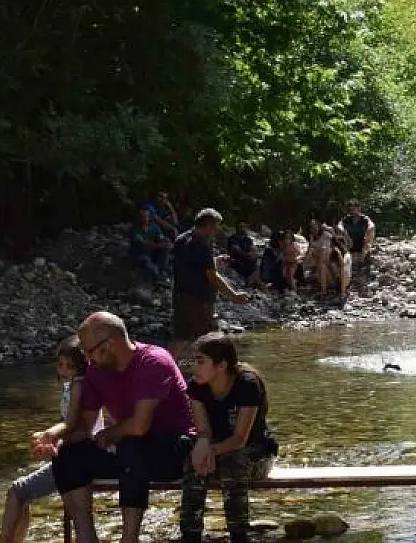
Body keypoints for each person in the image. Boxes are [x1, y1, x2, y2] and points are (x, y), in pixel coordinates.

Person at [44, 312, 196, 543]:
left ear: (111, 344)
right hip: (129, 454)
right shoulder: (96, 371)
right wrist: (53, 440)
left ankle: (129, 538)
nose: (86, 358)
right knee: (67, 454)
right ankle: (86, 538)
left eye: (89, 351)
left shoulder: (154, 361)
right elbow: (85, 428)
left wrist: (109, 434)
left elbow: (139, 426)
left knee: (131, 443)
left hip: (174, 451)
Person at [0, 337, 104, 543]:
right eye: (60, 365)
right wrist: (51, 440)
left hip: (76, 457)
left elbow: (72, 424)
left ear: (82, 366)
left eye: (70, 366)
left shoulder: (78, 386)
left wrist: (50, 435)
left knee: (18, 491)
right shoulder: (74, 386)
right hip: (75, 453)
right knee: (80, 519)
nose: (64, 371)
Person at [180, 333, 278, 543]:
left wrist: (210, 451)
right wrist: (202, 447)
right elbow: (203, 430)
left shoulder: (247, 385)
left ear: (221, 365)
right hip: (217, 453)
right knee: (192, 462)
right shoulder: (197, 386)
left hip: (256, 455)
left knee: (233, 460)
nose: (194, 368)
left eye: (200, 362)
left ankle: (239, 534)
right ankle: (190, 533)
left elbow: (239, 439)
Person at [172, 208, 249, 341]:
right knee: (211, 340)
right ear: (208, 225)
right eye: (216, 227)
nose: (217, 231)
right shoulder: (203, 245)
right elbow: (212, 276)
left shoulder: (181, 239)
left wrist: (214, 261)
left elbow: (191, 265)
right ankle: (216, 362)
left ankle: (168, 362)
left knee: (180, 338)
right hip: (198, 300)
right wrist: (233, 295)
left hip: (179, 296)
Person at [128, 207, 170, 283]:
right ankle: (156, 275)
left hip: (153, 252)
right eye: (141, 216)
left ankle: (162, 269)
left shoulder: (154, 227)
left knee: (167, 246)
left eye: (145, 216)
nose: (143, 218)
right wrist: (159, 245)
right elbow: (142, 243)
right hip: (140, 254)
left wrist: (163, 243)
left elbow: (162, 239)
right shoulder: (134, 229)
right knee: (150, 267)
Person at [337, 199, 375, 266]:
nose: (353, 212)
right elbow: (339, 225)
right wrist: (343, 231)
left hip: (362, 242)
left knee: (371, 231)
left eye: (354, 209)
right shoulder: (347, 219)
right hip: (349, 242)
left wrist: (369, 229)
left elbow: (371, 225)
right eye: (351, 210)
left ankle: (364, 255)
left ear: (359, 209)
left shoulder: (364, 218)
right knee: (340, 235)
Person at [226, 221, 262, 288]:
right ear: (237, 228)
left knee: (257, 264)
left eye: (244, 227)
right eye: (241, 227)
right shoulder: (233, 238)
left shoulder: (248, 239)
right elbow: (236, 249)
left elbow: (253, 249)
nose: (243, 228)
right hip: (237, 262)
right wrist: (247, 254)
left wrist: (253, 255)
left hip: (248, 262)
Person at [330, 233, 352, 300]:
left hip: (345, 278)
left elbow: (343, 264)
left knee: (343, 270)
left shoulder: (347, 255)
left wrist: (339, 253)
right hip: (337, 277)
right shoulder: (333, 254)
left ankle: (343, 293)